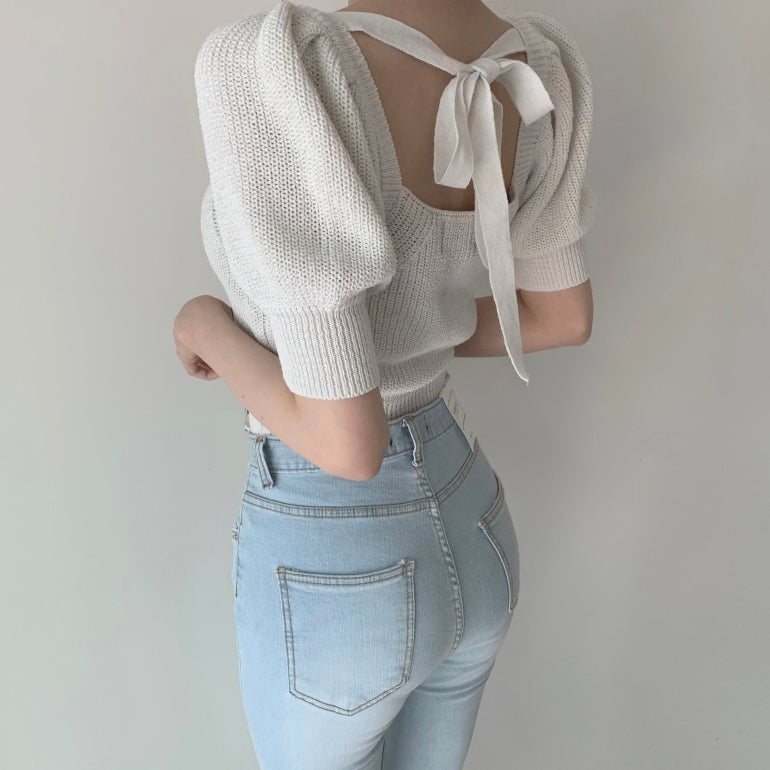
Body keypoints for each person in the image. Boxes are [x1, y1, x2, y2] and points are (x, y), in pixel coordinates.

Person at [172, 0, 595, 767]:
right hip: (473, 515)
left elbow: (346, 445)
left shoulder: (281, 65)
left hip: (339, 550)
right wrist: (410, 331)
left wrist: (207, 327)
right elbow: (559, 317)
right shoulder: (541, 65)